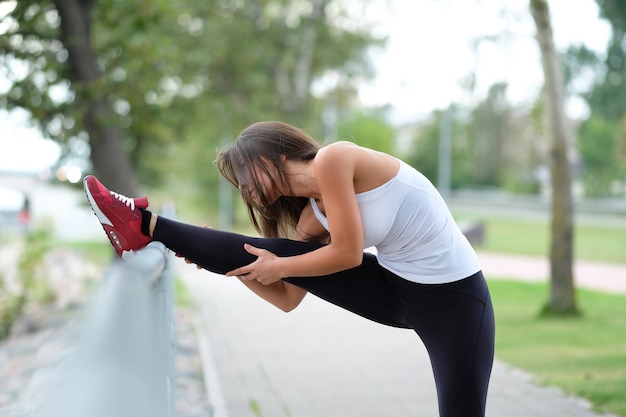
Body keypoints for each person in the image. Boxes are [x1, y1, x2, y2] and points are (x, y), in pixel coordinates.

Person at [84, 120, 495, 417]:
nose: (243, 189)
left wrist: (278, 265)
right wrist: (231, 265)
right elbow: (288, 298)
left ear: (274, 157)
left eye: (244, 175)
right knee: (269, 252)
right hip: (395, 290)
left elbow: (348, 255)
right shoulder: (310, 220)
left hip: (455, 302)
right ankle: (143, 227)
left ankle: (144, 225)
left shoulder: (335, 159)